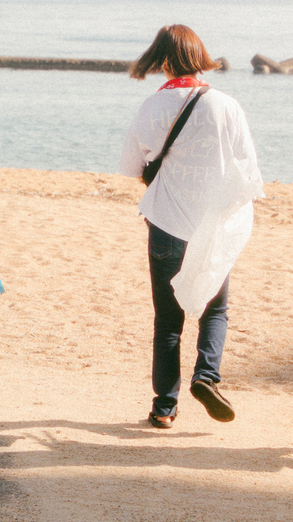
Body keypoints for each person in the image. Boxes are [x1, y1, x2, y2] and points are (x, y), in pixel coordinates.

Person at [119, 24, 259, 429]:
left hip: (166, 223)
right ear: (200, 57)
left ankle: (164, 407)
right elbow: (248, 170)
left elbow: (132, 166)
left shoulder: (150, 107)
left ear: (162, 61)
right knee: (216, 309)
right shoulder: (226, 105)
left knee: (167, 319)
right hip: (211, 225)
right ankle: (207, 376)